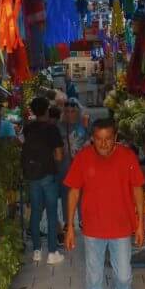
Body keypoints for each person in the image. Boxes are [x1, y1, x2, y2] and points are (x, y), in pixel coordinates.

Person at [64, 118, 145, 289]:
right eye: (99, 140)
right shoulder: (83, 158)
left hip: (121, 228)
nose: (103, 144)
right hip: (93, 230)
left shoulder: (127, 157)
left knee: (123, 275)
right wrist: (69, 226)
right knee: (93, 277)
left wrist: (140, 223)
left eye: (108, 139)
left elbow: (138, 188)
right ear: (93, 139)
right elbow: (73, 193)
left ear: (115, 138)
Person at [21, 97, 65, 264]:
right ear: (47, 110)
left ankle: (37, 251)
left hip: (32, 175)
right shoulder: (52, 129)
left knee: (36, 212)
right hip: (48, 174)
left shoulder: (28, 128)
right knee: (52, 212)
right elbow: (59, 155)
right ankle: (52, 252)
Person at [57, 98, 90, 235]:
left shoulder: (84, 124)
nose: (70, 114)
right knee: (66, 195)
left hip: (82, 166)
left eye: (73, 111)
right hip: (64, 167)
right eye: (68, 111)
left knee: (82, 194)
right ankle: (67, 221)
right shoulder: (60, 126)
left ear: (78, 112)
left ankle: (83, 220)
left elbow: (91, 139)